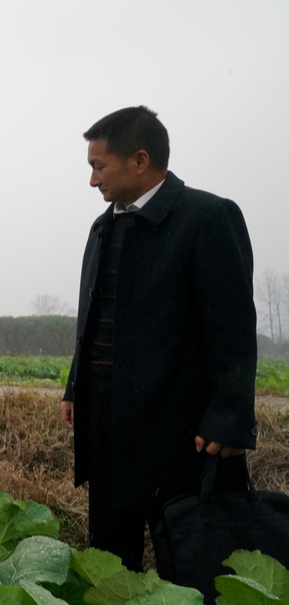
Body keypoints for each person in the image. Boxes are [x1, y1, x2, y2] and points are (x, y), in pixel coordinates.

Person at [60, 106, 257, 572]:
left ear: (140, 161)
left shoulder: (207, 217)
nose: (92, 181)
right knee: (110, 560)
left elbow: (231, 327)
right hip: (107, 422)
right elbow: (94, 317)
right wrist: (76, 386)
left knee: (190, 561)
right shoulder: (104, 226)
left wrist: (229, 416)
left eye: (98, 166)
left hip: (179, 428)